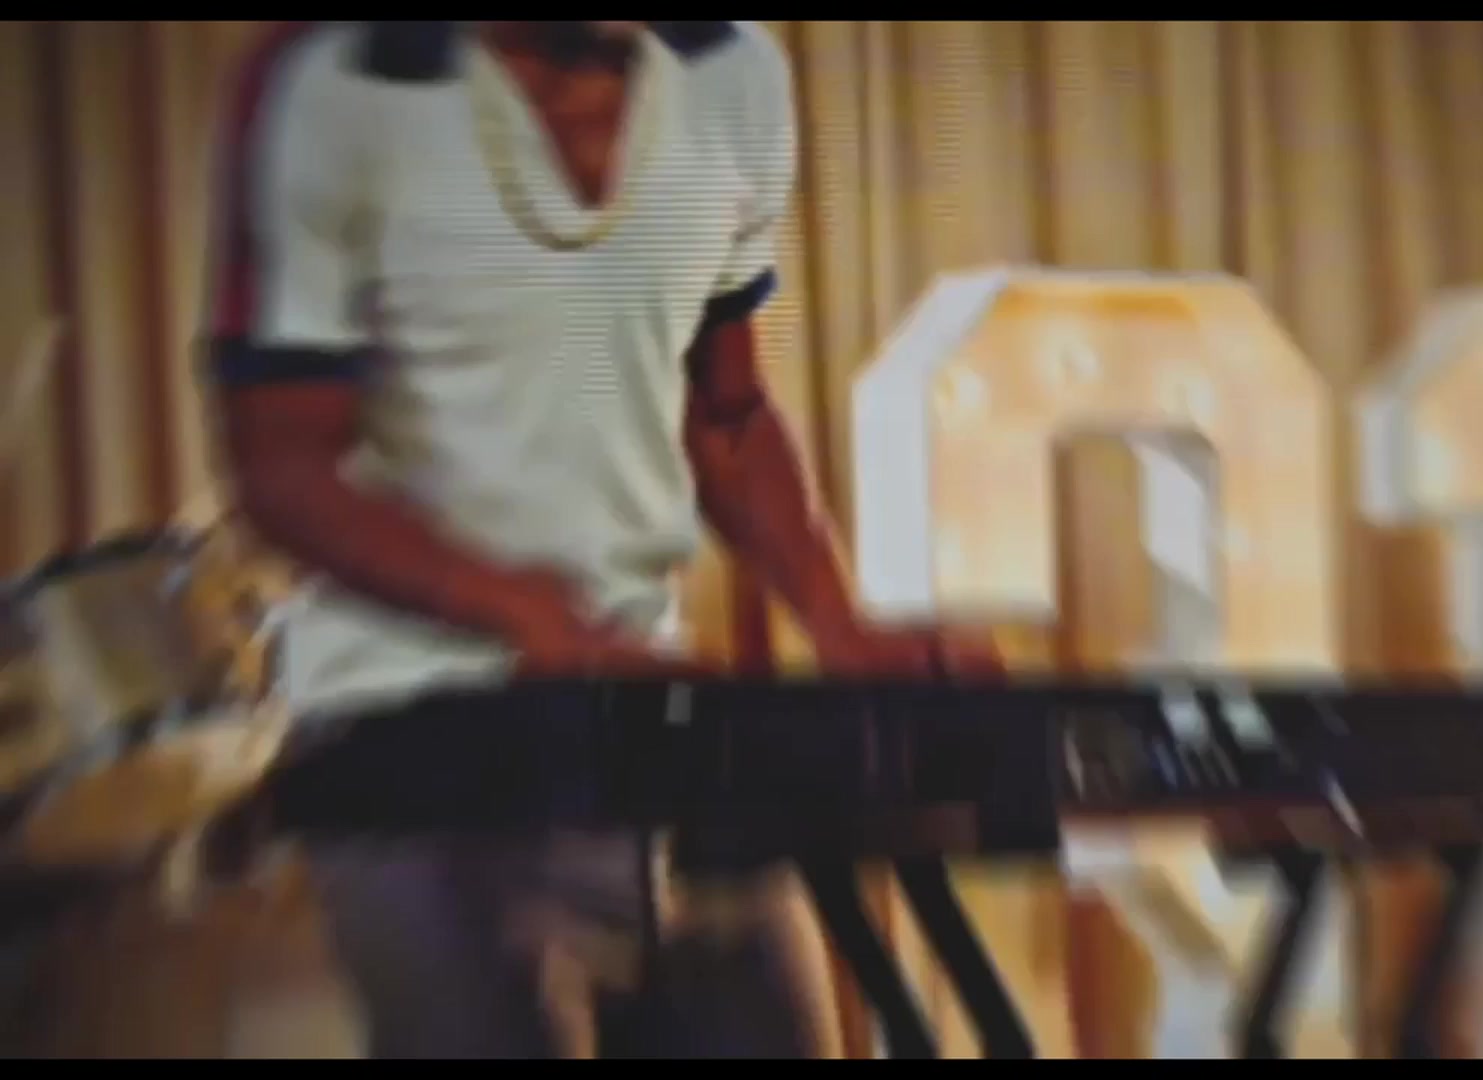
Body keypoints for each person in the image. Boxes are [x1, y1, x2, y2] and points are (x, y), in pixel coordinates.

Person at [205, 20, 999, 1058]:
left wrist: (837, 623)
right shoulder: (335, 78)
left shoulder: (734, 74)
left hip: (645, 719)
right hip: (402, 723)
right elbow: (281, 464)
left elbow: (726, 414)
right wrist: (531, 620)